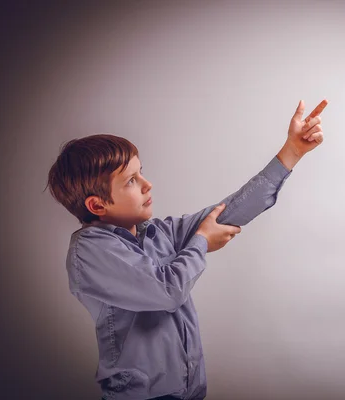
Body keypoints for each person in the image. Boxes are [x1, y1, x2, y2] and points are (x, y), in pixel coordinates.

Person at [45, 99, 327, 400]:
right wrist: (201, 241)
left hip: (188, 393)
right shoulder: (89, 250)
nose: (147, 184)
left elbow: (228, 212)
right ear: (97, 205)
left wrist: (292, 152)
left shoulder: (159, 232)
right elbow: (166, 291)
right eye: (131, 181)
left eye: (142, 173)